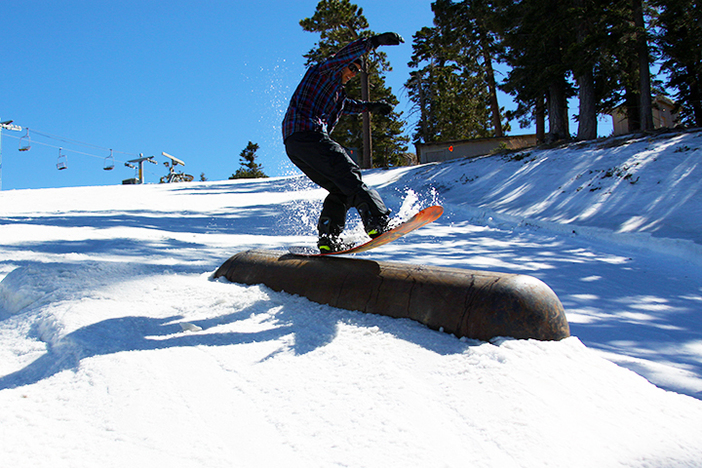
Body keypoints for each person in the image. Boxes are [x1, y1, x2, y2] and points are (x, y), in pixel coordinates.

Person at [282, 32, 404, 253]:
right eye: (352, 69)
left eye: (358, 72)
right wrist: (374, 42)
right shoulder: (324, 71)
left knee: (341, 189)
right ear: (343, 65)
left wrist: (372, 106)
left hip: (296, 146)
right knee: (349, 172)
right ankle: (377, 221)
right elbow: (346, 54)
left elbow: (348, 105)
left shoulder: (336, 93)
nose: (353, 75)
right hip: (308, 135)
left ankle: (329, 238)